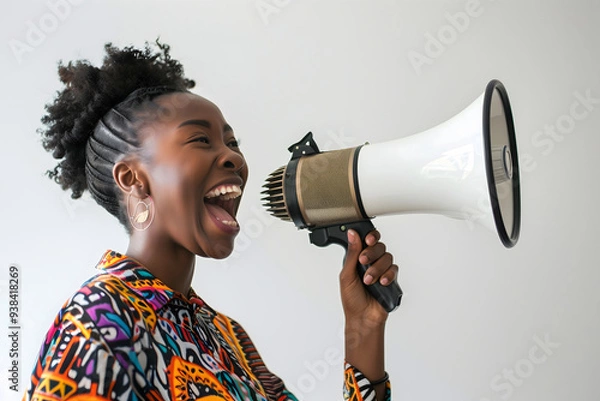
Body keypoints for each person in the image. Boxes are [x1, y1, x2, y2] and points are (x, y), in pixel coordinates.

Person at [23, 40, 399, 401]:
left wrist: (362, 329)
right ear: (132, 179)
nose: (233, 158)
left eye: (232, 143)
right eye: (201, 140)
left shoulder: (227, 336)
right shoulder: (97, 322)